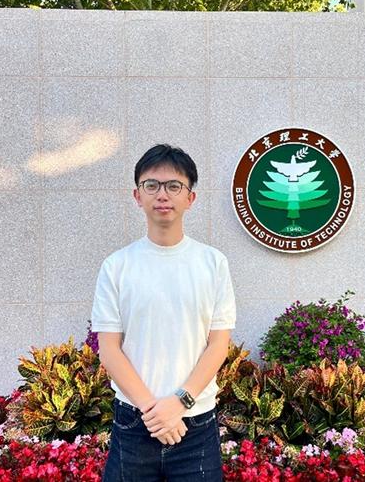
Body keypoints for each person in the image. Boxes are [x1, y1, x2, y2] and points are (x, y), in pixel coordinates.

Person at [91, 144, 237, 481]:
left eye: (174, 186)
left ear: (190, 198)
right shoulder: (117, 266)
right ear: (137, 195)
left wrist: (178, 403)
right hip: (134, 420)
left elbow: (218, 344)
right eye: (152, 185)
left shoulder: (213, 263)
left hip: (196, 422)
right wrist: (154, 411)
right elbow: (109, 349)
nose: (162, 194)